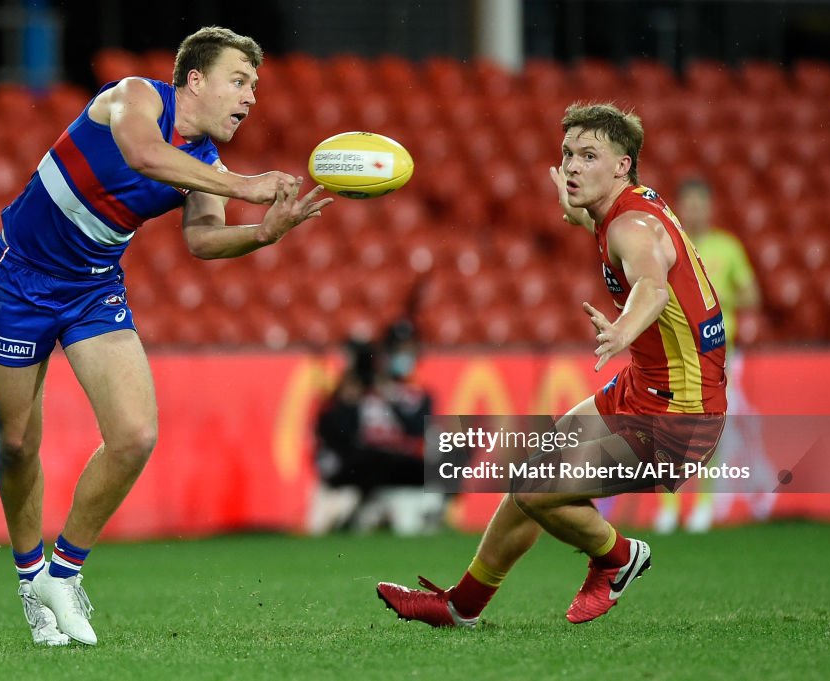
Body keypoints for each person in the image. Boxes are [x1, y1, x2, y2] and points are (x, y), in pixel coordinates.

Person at [0, 26, 332, 646]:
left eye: (255, 86)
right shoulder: (136, 97)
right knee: (15, 443)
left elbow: (202, 239)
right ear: (194, 80)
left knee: (135, 435)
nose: (251, 98)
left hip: (93, 287)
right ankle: (28, 578)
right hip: (22, 281)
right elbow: (143, 154)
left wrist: (265, 232)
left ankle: (63, 576)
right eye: (239, 80)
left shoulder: (204, 165)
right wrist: (246, 186)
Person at [377, 103, 727, 627]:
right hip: (646, 387)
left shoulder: (632, 226)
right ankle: (461, 606)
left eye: (589, 156)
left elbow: (651, 285)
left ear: (623, 166)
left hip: (681, 413)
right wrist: (570, 205)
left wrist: (623, 330)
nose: (572, 166)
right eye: (567, 154)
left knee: (541, 490)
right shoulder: (617, 205)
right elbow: (588, 220)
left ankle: (618, 557)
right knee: (531, 478)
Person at [655, 177, 762, 532]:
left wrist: (715, 297)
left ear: (711, 207)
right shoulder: (669, 243)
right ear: (680, 207)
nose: (696, 210)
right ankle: (668, 508)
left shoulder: (727, 248)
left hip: (715, 350)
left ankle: (703, 505)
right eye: (690, 203)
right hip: (675, 349)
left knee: (709, 427)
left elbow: (751, 294)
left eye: (702, 203)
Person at [310, 320, 441, 535]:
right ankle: (358, 511)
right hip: (363, 463)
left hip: (397, 461)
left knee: (448, 459)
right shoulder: (358, 389)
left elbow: (416, 429)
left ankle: (432, 511)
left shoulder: (419, 395)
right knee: (370, 459)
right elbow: (337, 432)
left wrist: (389, 398)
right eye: (399, 350)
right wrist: (349, 398)